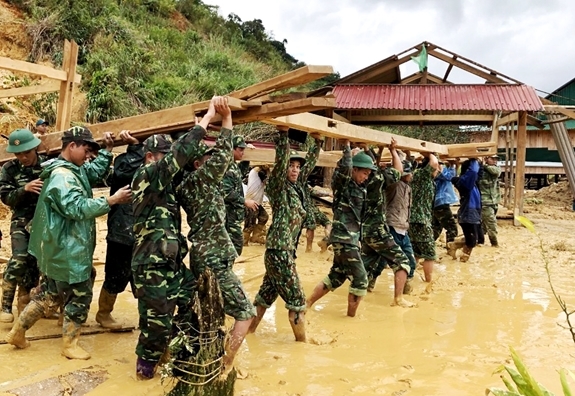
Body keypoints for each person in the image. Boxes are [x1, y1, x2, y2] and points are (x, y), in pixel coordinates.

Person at [6, 126, 132, 361]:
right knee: (80, 295)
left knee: (49, 293)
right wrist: (111, 200)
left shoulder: (72, 168)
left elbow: (93, 172)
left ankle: (17, 332)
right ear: (72, 146)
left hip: (58, 247)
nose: (88, 156)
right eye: (86, 150)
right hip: (68, 248)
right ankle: (70, 344)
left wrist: (107, 151)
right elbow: (76, 208)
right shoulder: (63, 177)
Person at [130, 98, 223, 379]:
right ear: (151, 156)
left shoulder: (167, 186)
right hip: (150, 265)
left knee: (191, 298)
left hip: (170, 264)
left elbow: (186, 160)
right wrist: (204, 122)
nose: (170, 161)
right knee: (155, 323)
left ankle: (176, 356)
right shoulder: (146, 176)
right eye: (163, 155)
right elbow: (177, 157)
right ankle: (144, 370)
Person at [177, 96, 255, 373]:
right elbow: (224, 154)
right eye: (206, 159)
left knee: (207, 312)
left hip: (203, 256)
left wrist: (198, 127)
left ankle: (192, 358)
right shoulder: (200, 181)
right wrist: (226, 119)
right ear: (199, 165)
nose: (213, 163)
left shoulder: (188, 184)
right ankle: (225, 364)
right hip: (213, 259)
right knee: (245, 312)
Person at [248, 127, 322, 341]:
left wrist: (317, 144)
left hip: (283, 252)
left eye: (298, 167)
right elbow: (280, 165)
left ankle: (248, 334)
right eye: (292, 166)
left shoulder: (297, 188)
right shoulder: (278, 187)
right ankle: (302, 345)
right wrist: (282, 136)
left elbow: (308, 167)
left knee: (264, 297)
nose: (295, 170)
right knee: (298, 300)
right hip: (279, 252)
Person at [306, 141, 376, 317]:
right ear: (354, 170)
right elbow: (344, 168)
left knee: (336, 277)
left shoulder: (362, 189)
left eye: (368, 174)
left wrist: (367, 150)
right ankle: (349, 318)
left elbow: (376, 175)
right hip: (344, 239)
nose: (366, 177)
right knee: (361, 280)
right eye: (364, 173)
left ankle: (306, 304)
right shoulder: (344, 185)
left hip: (349, 240)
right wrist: (346, 147)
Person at [96, 131, 144, 330]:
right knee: (115, 276)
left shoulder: (144, 173)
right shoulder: (122, 173)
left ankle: (147, 316)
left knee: (143, 279)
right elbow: (128, 168)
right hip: (121, 234)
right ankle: (103, 314)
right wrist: (135, 147)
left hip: (139, 234)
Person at [0, 129, 47, 323]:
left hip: (44, 221)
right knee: (19, 257)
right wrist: (24, 189)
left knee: (37, 263)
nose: (23, 157)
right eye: (18, 153)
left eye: (26, 152)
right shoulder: (10, 169)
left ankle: (28, 301)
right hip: (21, 219)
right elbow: (5, 198)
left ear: (35, 148)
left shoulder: (48, 164)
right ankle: (5, 304)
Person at [360, 140, 413, 307]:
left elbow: (396, 169)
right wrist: (392, 150)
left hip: (369, 228)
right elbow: (397, 170)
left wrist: (375, 149)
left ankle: (362, 285)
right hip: (382, 227)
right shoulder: (389, 183)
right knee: (400, 260)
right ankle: (397, 298)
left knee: (369, 260)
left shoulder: (367, 181)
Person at [222, 135, 259, 256]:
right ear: (232, 149)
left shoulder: (233, 166)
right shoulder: (227, 166)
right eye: (240, 150)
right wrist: (244, 201)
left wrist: (248, 156)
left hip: (233, 215)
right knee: (235, 245)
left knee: (233, 246)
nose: (243, 152)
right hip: (228, 216)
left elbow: (241, 172)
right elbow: (226, 192)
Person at [385, 159, 418, 294]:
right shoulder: (393, 186)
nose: (412, 175)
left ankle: (406, 290)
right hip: (392, 227)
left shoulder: (408, 187)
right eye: (409, 173)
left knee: (411, 262)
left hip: (403, 229)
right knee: (381, 262)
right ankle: (369, 284)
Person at [408, 152, 440, 283]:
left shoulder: (418, 176)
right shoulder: (423, 175)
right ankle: (428, 282)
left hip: (412, 219)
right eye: (437, 169)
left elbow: (435, 165)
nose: (438, 170)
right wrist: (429, 152)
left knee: (415, 252)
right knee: (430, 253)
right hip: (421, 220)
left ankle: (408, 279)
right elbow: (434, 163)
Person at [449, 159, 482, 262]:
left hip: (475, 213)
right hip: (468, 214)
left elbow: (479, 173)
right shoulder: (464, 182)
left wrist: (480, 162)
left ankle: (454, 244)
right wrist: (474, 161)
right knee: (472, 241)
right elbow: (473, 171)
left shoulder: (473, 182)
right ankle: (463, 260)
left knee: (480, 239)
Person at [432, 160, 459, 247]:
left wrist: (453, 165)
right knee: (452, 228)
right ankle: (451, 248)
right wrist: (452, 165)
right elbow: (449, 176)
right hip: (441, 203)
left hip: (439, 203)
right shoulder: (437, 174)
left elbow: (451, 175)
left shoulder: (439, 174)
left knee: (436, 227)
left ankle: (426, 246)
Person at [477, 154, 501, 247]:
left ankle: (478, 240)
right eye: (493, 159)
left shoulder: (495, 168)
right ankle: (494, 243)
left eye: (496, 159)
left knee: (484, 224)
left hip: (494, 201)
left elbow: (496, 172)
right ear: (486, 159)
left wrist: (485, 165)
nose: (495, 161)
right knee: (491, 223)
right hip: (485, 201)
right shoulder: (480, 170)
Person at [243, 165, 270, 245]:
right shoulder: (258, 171)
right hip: (251, 201)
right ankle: (244, 243)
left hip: (256, 202)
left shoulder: (259, 171)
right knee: (249, 225)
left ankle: (255, 237)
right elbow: (267, 182)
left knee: (264, 217)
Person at [303, 185, 332, 253]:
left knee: (327, 222)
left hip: (312, 208)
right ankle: (309, 248)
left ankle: (326, 241)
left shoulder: (303, 183)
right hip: (304, 208)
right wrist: (328, 194)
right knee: (311, 224)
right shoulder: (299, 184)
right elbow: (314, 192)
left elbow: (314, 191)